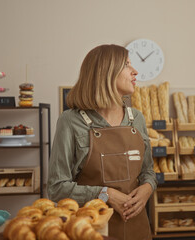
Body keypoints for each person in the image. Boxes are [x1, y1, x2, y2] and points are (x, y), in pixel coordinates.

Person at [47, 44, 157, 240]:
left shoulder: (137, 118)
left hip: (136, 228)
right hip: (89, 230)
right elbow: (56, 187)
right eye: (127, 65)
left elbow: (148, 171)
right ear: (106, 72)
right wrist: (104, 194)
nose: (135, 71)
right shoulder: (70, 121)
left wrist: (148, 187)